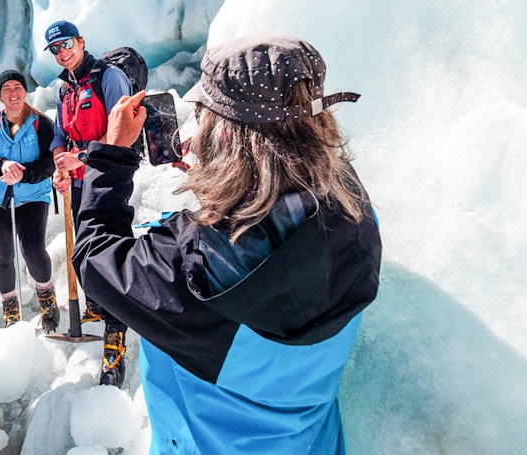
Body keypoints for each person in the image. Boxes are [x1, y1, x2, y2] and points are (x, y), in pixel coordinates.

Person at [72, 33, 382, 453]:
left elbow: (96, 257)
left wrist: (109, 156)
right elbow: (280, 203)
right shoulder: (356, 212)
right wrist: (226, 175)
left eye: (206, 118)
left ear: (226, 138)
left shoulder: (190, 272)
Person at [43, 19, 132, 387]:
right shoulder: (65, 89)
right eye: (56, 49)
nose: (63, 52)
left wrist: (81, 159)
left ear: (81, 41)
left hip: (108, 178)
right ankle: (98, 303)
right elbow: (60, 135)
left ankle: (115, 345)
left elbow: (123, 130)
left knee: (108, 257)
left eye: (67, 44)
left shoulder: (108, 78)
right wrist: (60, 165)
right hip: (80, 183)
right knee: (85, 252)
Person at [0, 70, 61, 333]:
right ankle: (10, 306)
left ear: (25, 92)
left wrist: (25, 173)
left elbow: (50, 161)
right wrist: (1, 168)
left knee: (32, 248)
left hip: (32, 195)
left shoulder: (41, 124)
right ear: (0, 96)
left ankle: (45, 293)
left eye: (17, 87)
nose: (13, 92)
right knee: (4, 253)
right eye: (6, 88)